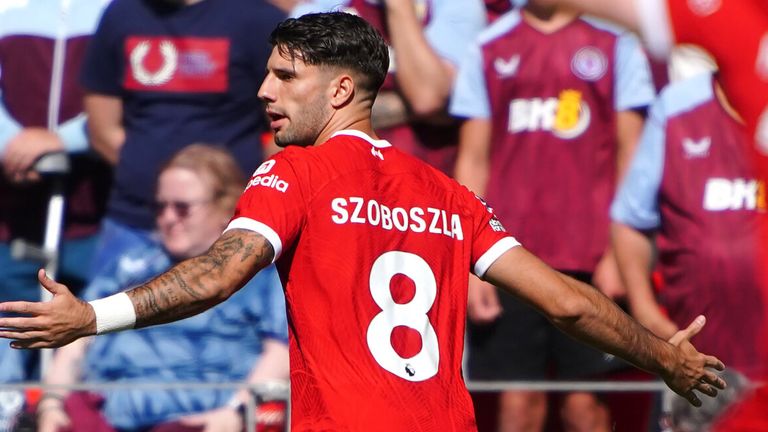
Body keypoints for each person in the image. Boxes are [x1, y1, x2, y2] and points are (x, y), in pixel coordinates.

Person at [0, 12, 726, 432]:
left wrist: (90, 318)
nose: (263, 91)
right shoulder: (447, 193)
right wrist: (665, 357)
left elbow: (221, 274)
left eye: (286, 76)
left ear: (342, 88)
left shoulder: (294, 173)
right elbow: (566, 301)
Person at [450, 1, 655, 430]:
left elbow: (632, 157)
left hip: (591, 260)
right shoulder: (488, 47)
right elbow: (473, 159)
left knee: (586, 408)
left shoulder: (615, 44)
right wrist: (470, 266)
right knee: (517, 409)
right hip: (508, 261)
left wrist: (620, 253)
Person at [35, 145, 289, 432]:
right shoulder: (129, 264)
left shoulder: (259, 275)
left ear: (227, 207)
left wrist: (237, 411)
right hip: (106, 414)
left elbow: (280, 353)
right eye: (160, 207)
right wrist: (52, 403)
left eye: (182, 208)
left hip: (198, 418)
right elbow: (77, 338)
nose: (168, 218)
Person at [80, 0, 285, 280]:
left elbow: (283, 127)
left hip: (232, 227)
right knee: (106, 321)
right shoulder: (121, 14)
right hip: (133, 222)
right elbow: (102, 127)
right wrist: (161, 185)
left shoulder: (256, 19)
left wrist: (239, 196)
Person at [0, 0, 112, 382]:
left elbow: (122, 101)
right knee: (11, 324)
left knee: (89, 321)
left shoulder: (115, 13)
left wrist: (59, 140)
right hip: (13, 217)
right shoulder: (9, 14)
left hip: (94, 213)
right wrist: (13, 146)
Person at [290, 0, 486, 175]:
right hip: (339, 185)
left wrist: (399, 6)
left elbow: (427, 96)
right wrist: (429, 107)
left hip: (421, 198)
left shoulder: (454, 6)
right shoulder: (320, 9)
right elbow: (299, 110)